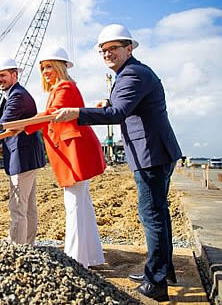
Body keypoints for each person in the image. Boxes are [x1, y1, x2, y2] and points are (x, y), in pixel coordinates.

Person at [53, 24, 182, 302]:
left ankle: (156, 283)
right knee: (159, 213)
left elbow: (119, 112)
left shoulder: (132, 73)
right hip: (155, 152)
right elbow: (124, 105)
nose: (108, 53)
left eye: (113, 48)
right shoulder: (130, 73)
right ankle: (163, 269)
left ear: (129, 48)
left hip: (151, 154)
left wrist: (77, 112)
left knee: (152, 216)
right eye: (103, 50)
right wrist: (105, 101)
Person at [22, 46, 105, 268]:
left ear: (60, 66)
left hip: (74, 153)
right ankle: (91, 256)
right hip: (73, 152)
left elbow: (52, 115)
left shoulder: (65, 87)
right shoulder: (58, 89)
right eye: (43, 68)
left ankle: (77, 260)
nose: (45, 71)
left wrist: (22, 125)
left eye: (49, 66)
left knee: (74, 204)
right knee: (82, 204)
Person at [0, 58, 46, 245]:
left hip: (22, 157)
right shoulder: (13, 94)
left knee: (18, 207)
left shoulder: (17, 96)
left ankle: (17, 248)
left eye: (3, 75)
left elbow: (2, 127)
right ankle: (28, 245)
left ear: (15, 75)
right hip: (26, 156)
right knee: (28, 207)